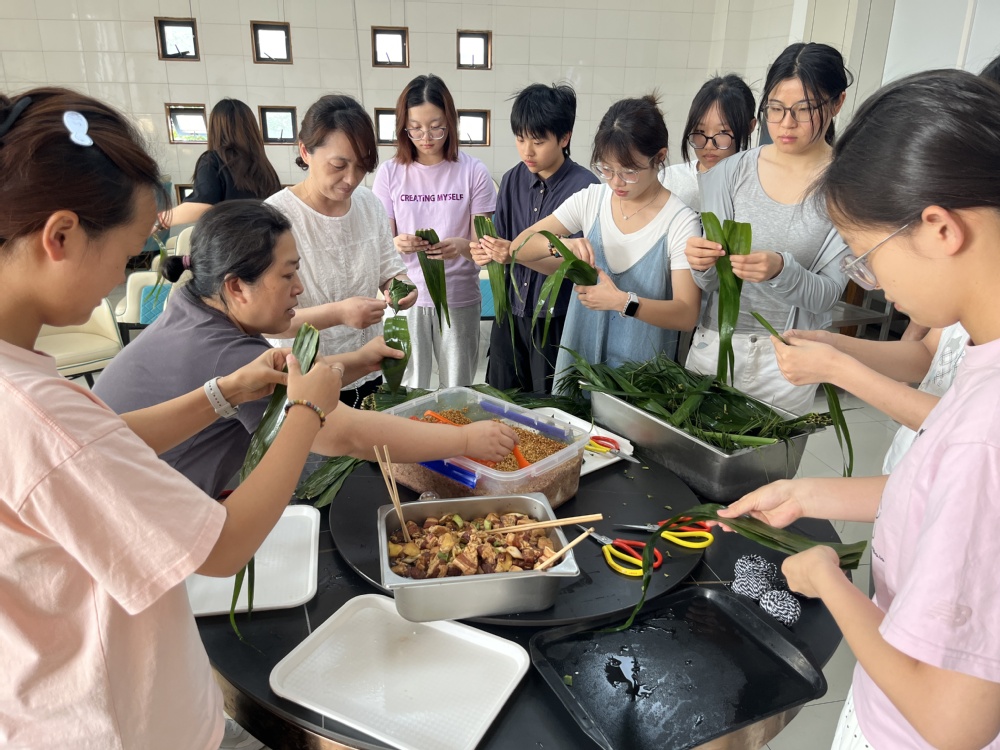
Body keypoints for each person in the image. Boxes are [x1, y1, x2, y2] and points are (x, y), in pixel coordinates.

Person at [0, 87, 341, 749]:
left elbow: (100, 445)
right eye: (126, 251)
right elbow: (224, 547)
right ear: (61, 236)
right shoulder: (38, 414)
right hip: (118, 726)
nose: (119, 277)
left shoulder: (29, 386)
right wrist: (306, 408)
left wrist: (223, 393)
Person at [718, 69, 1000, 749]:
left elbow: (953, 719)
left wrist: (827, 578)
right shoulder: (982, 359)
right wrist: (807, 493)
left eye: (868, 256)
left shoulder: (986, 432)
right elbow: (941, 488)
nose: (874, 284)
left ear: (939, 228)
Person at [95, 201, 518, 501]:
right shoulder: (223, 350)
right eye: (288, 275)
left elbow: (278, 382)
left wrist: (357, 361)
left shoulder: (192, 307)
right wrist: (464, 438)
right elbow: (343, 433)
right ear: (236, 286)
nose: (299, 288)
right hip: (133, 513)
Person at [684, 42, 852, 415]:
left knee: (770, 453)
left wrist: (781, 270)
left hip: (789, 361)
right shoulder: (729, 173)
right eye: (775, 108)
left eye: (804, 109)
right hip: (716, 346)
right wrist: (700, 263)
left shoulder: (848, 187)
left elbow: (827, 295)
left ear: (837, 103)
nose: (786, 124)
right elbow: (711, 284)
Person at [508, 94, 701, 382]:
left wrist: (623, 302)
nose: (616, 182)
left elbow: (686, 314)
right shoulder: (592, 199)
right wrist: (560, 245)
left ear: (659, 157)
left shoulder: (680, 222)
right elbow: (518, 247)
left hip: (639, 380)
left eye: (630, 171)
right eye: (606, 169)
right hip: (579, 366)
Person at [265, 94, 417, 408]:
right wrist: (338, 314)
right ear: (305, 151)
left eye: (361, 167)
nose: (351, 179)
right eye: (339, 165)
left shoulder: (368, 205)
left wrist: (401, 287)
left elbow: (390, 270)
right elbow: (269, 320)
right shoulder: (275, 218)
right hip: (306, 377)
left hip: (369, 366)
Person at [469, 83, 598, 394]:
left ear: (564, 138)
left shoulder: (586, 188)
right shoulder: (512, 179)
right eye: (520, 138)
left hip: (556, 319)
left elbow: (578, 268)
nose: (527, 150)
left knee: (550, 406)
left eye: (538, 142)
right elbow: (502, 243)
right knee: (503, 401)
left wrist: (513, 254)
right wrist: (486, 252)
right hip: (509, 315)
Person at [373, 74, 496, 389]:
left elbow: (482, 249)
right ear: (403, 126)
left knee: (458, 389)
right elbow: (382, 246)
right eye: (415, 128)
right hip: (405, 298)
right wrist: (398, 243)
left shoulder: (473, 171)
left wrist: (460, 246)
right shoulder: (390, 173)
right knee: (407, 388)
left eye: (436, 127)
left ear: (451, 123)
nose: (426, 137)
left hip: (458, 298)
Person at [771, 322, 967, 473]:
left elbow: (966, 425)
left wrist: (836, 369)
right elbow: (930, 353)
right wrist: (835, 345)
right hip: (907, 465)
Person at [158, 98, 281, 231]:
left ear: (215, 128)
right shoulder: (265, 167)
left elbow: (201, 206)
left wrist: (160, 219)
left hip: (233, 241)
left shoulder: (213, 161)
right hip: (267, 239)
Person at [661, 74, 757, 211]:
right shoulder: (669, 179)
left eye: (723, 132)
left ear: (750, 127)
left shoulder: (757, 188)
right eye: (700, 131)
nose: (709, 145)